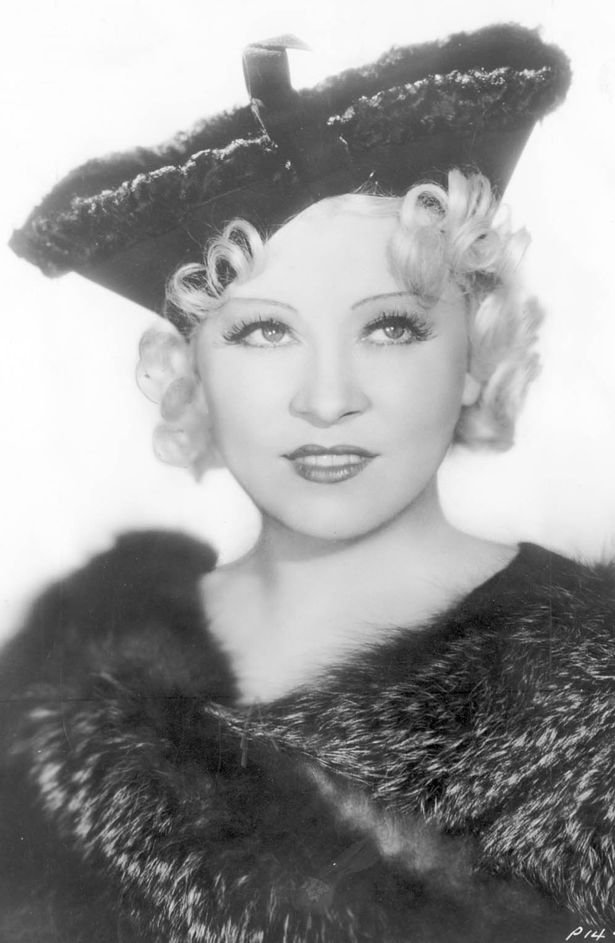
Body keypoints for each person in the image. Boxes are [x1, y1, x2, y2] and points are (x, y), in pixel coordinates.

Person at [3, 21, 614, 943]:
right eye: (263, 330)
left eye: (392, 327)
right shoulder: (52, 689)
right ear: (190, 371)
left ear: (474, 351)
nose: (327, 399)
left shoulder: (595, 694)